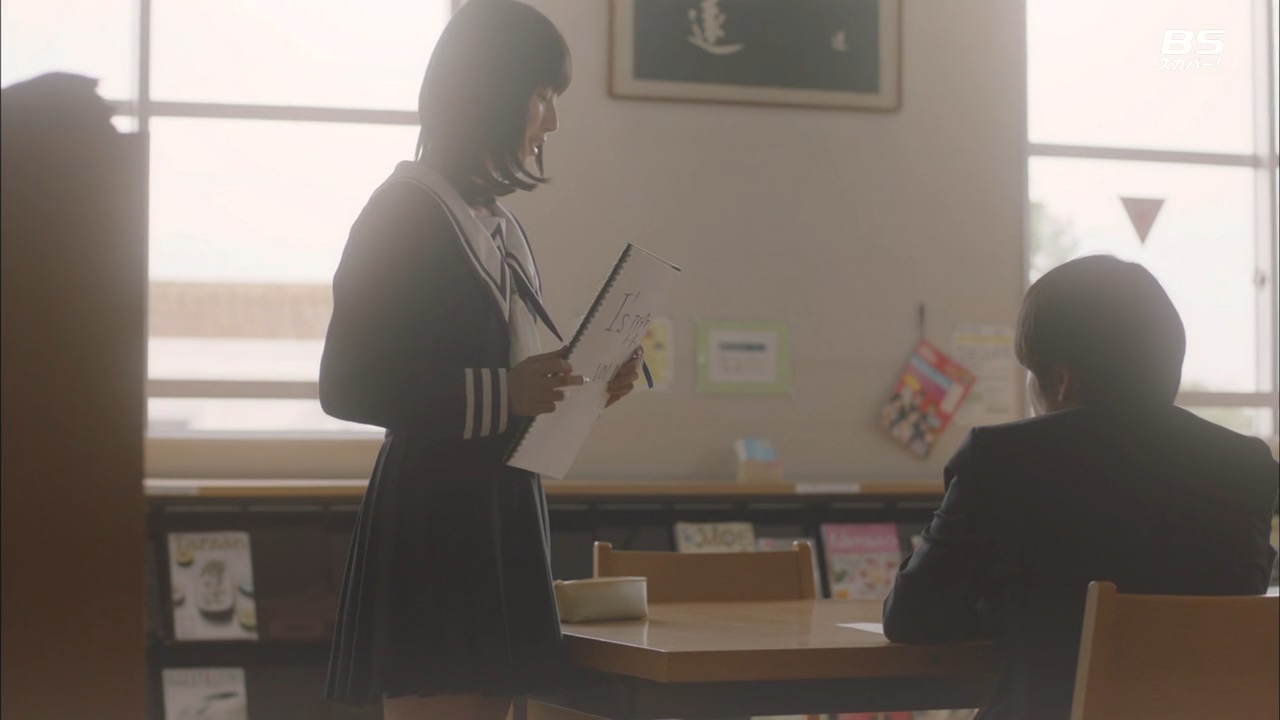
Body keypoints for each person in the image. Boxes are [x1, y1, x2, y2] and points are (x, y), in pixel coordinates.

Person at [318, 3, 642, 719]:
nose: (551, 121)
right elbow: (346, 383)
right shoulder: (402, 211)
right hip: (434, 516)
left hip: (499, 507)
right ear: (489, 93)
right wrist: (508, 394)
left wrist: (585, 386)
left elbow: (513, 381)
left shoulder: (497, 223)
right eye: (541, 95)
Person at [882, 255, 1279, 720]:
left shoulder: (1001, 459)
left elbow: (912, 617)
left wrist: (1007, 610)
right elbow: (1232, 606)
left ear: (1060, 379)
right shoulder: (1244, 466)